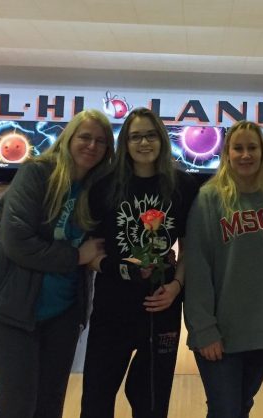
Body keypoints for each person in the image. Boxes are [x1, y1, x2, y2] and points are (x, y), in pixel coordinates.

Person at [0, 109, 113, 418]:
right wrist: (76, 257)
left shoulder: (96, 189)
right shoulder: (37, 172)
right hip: (15, 308)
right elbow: (17, 242)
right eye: (85, 137)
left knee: (49, 408)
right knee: (17, 409)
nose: (92, 146)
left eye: (101, 141)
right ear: (69, 138)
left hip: (63, 313)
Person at [81, 108, 198, 418]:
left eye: (150, 135)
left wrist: (176, 287)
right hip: (112, 306)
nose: (144, 142)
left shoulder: (183, 186)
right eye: (135, 136)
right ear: (125, 143)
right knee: (96, 400)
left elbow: (189, 249)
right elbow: (90, 251)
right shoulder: (105, 186)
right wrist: (115, 268)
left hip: (162, 308)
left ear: (160, 139)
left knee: (152, 403)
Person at [183, 120, 263, 418]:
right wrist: (204, 329)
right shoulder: (209, 199)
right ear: (226, 153)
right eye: (237, 148)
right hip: (221, 332)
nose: (245, 155)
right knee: (225, 410)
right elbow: (197, 264)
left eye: (252, 148)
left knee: (240, 407)